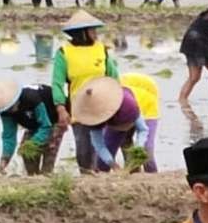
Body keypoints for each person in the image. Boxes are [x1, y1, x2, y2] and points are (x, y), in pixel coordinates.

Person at [51, 9, 120, 173]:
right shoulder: (64, 53)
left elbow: (113, 76)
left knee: (101, 145)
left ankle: (101, 177)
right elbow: (57, 83)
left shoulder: (101, 49)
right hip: (79, 108)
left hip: (102, 106)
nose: (95, 33)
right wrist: (61, 108)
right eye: (92, 30)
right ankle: (86, 177)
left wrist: (118, 100)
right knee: (83, 149)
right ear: (82, 32)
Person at [71, 75, 151, 173]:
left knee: (131, 149)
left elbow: (143, 129)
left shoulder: (129, 105)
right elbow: (99, 145)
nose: (124, 129)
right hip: (111, 116)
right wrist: (113, 164)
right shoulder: (94, 117)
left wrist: (139, 146)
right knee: (102, 162)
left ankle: (135, 170)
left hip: (139, 102)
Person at [0, 79, 58, 176]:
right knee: (27, 154)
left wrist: (33, 142)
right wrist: (4, 160)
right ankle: (33, 177)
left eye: (11, 107)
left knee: (48, 150)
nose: (11, 111)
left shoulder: (31, 98)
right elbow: (9, 136)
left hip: (53, 119)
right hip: (33, 124)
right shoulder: (5, 111)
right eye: (7, 109)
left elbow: (46, 126)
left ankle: (47, 175)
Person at [121, 72, 162, 172]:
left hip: (147, 107)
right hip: (126, 107)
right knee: (124, 140)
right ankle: (133, 170)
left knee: (146, 148)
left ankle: (152, 173)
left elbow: (143, 130)